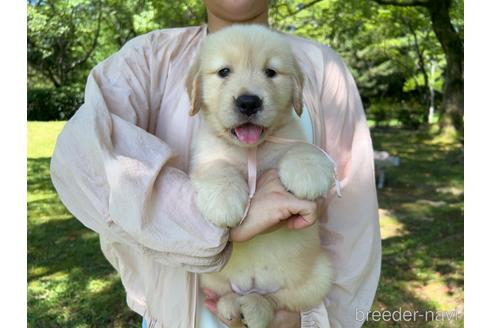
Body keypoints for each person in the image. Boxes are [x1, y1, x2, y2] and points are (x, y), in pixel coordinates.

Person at [50, 0, 381, 327]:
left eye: (270, 72)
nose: (247, 93)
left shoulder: (322, 67)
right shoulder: (149, 57)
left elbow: (353, 223)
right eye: (224, 72)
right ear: (197, 88)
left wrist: (310, 319)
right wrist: (208, 220)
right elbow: (83, 159)